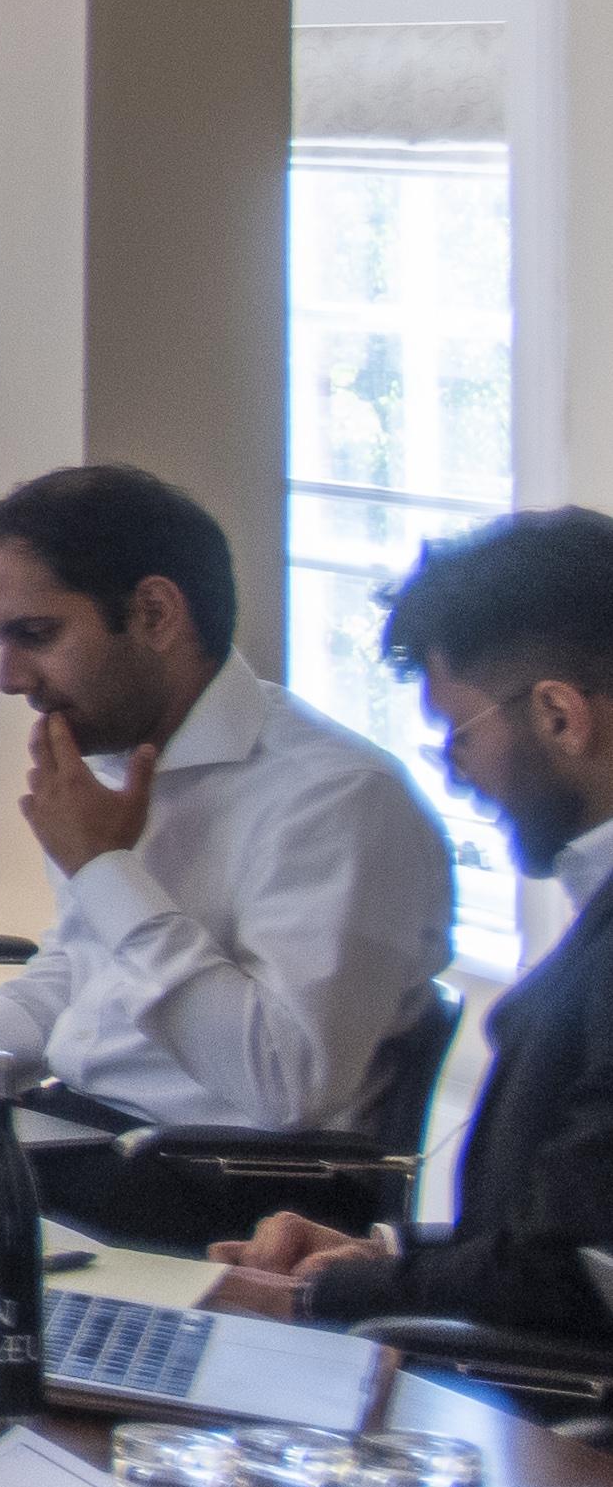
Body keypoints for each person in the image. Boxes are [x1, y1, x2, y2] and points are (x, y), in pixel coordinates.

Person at [0, 467, 455, 1192]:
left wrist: (105, 870)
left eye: (35, 634)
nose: (7, 677)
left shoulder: (337, 801)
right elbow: (84, 971)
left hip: (220, 1185)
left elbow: (289, 1082)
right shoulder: (106, 760)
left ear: (157, 613)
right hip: (81, 1135)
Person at [214, 508, 613, 1347]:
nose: (459, 777)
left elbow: (567, 1274)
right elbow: (563, 1239)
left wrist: (327, 1298)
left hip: (549, 1438)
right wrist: (375, 1255)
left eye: (459, 735)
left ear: (560, 715)